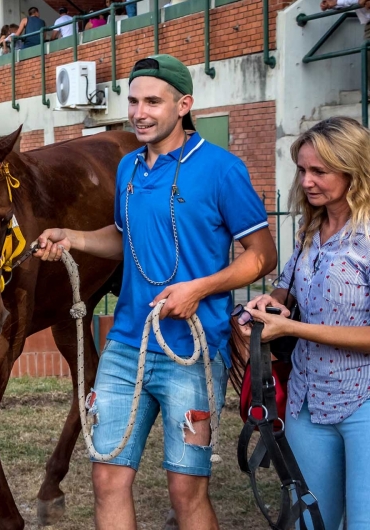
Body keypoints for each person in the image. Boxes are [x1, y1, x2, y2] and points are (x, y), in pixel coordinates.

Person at [35, 54, 277, 530]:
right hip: (126, 347)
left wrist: (199, 289)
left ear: (183, 104)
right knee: (106, 479)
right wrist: (75, 237)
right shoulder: (127, 168)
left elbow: (262, 255)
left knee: (185, 490)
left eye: (153, 101)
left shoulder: (221, 169)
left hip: (194, 351)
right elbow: (126, 238)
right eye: (133, 101)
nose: (139, 112)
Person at [241, 117, 370, 530]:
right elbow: (288, 289)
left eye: (320, 171)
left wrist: (293, 330)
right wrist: (269, 305)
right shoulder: (310, 228)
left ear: (354, 170)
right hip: (306, 401)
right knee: (310, 523)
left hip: (363, 401)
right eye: (302, 170)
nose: (308, 181)